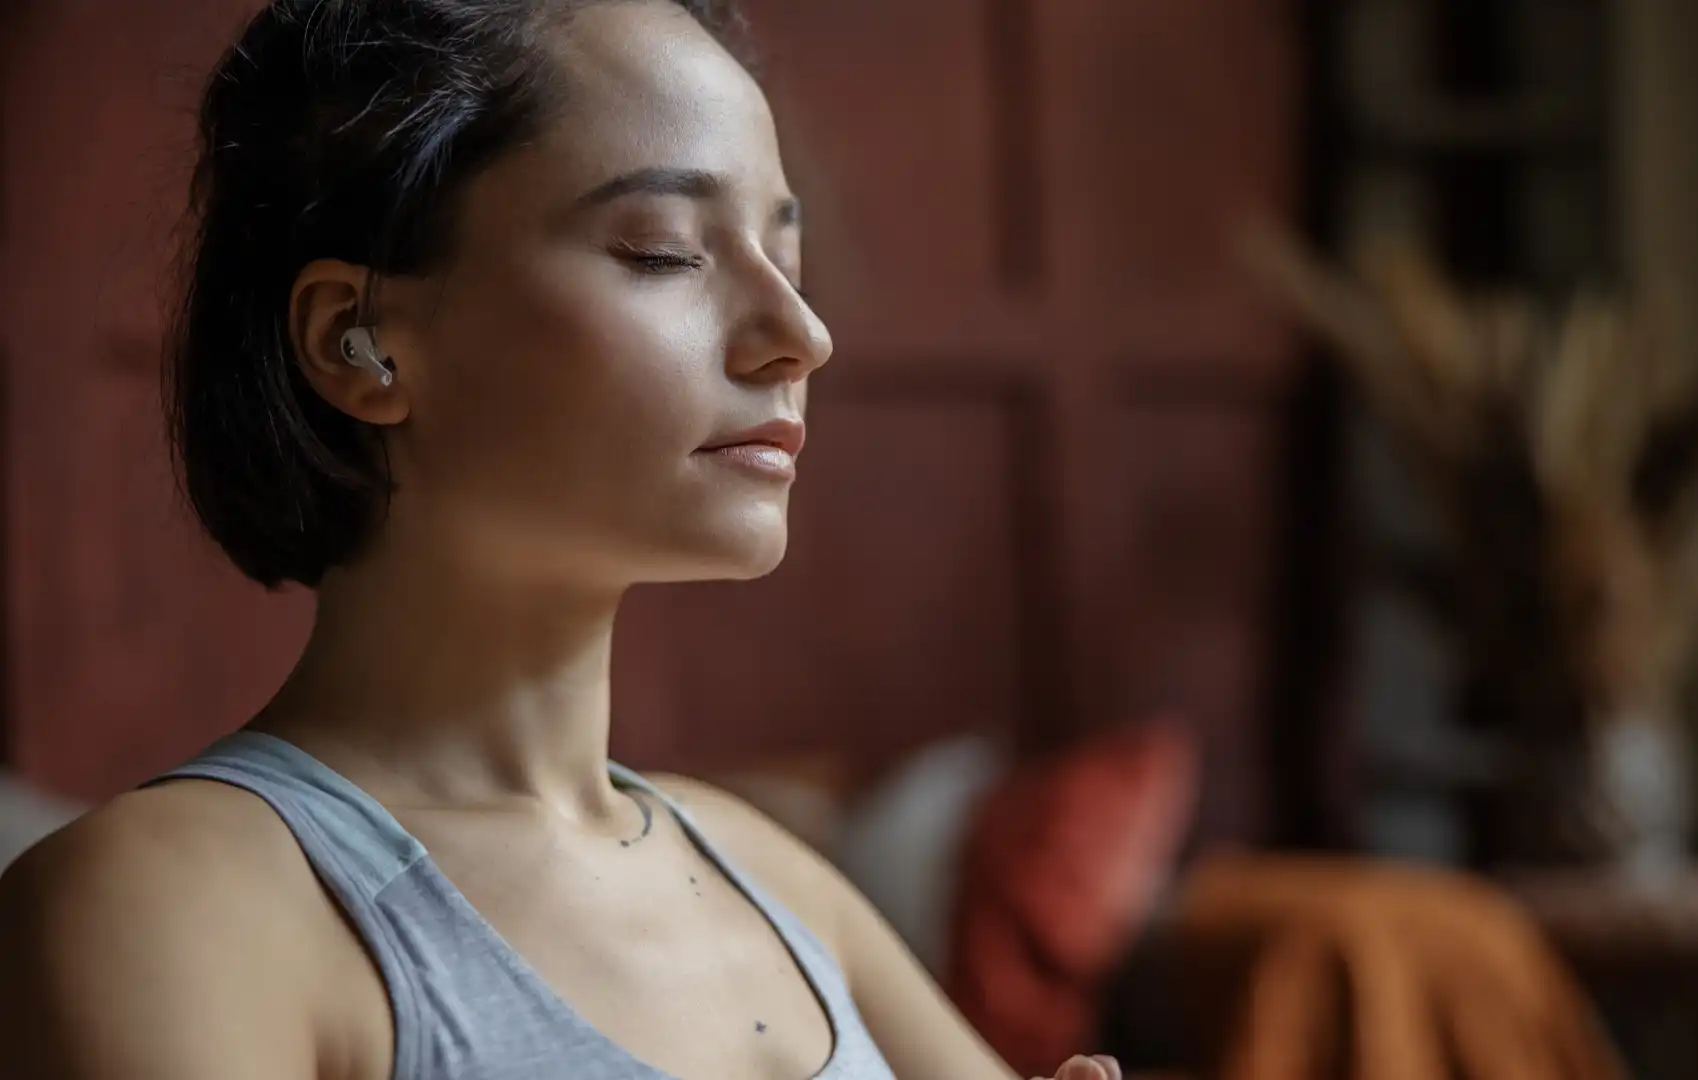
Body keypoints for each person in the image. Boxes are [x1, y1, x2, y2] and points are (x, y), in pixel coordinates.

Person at [0, 4, 1124, 1080]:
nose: (802, 335)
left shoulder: (768, 877)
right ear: (357, 341)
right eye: (665, 251)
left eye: (789, 255)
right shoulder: (170, 905)